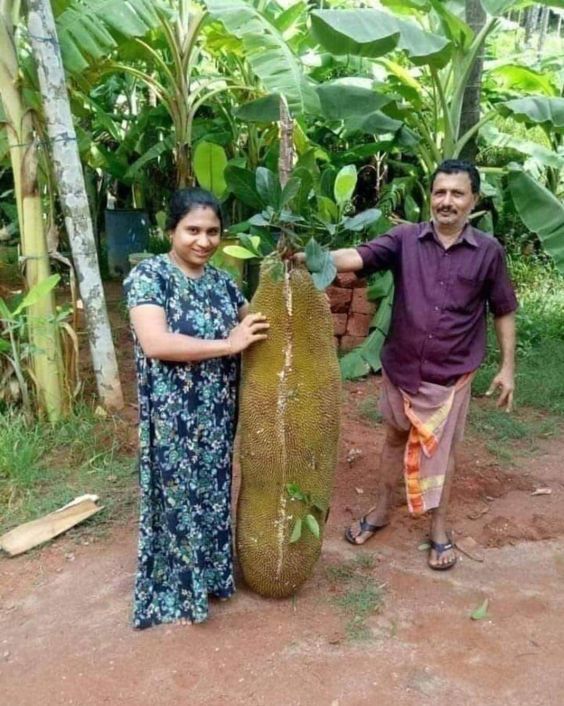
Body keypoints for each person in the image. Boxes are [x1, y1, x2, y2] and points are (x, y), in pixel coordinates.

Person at [322, 159, 517, 570]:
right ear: (431, 196)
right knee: (394, 439)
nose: (447, 201)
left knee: (445, 453)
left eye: (457, 193)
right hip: (402, 368)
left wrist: (507, 367)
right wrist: (310, 259)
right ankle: (380, 512)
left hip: (452, 374)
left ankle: (439, 529)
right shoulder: (404, 239)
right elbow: (358, 256)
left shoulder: (489, 252)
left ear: (473, 200)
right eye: (440, 192)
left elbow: (503, 310)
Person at [124, 187, 269, 628]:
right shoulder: (150, 277)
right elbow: (156, 342)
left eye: (212, 232)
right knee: (177, 495)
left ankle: (209, 576)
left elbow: (256, 318)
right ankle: (176, 587)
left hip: (217, 412)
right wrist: (229, 343)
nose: (203, 241)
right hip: (173, 415)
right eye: (192, 230)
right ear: (171, 230)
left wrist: (290, 275)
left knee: (211, 492)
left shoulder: (223, 281)